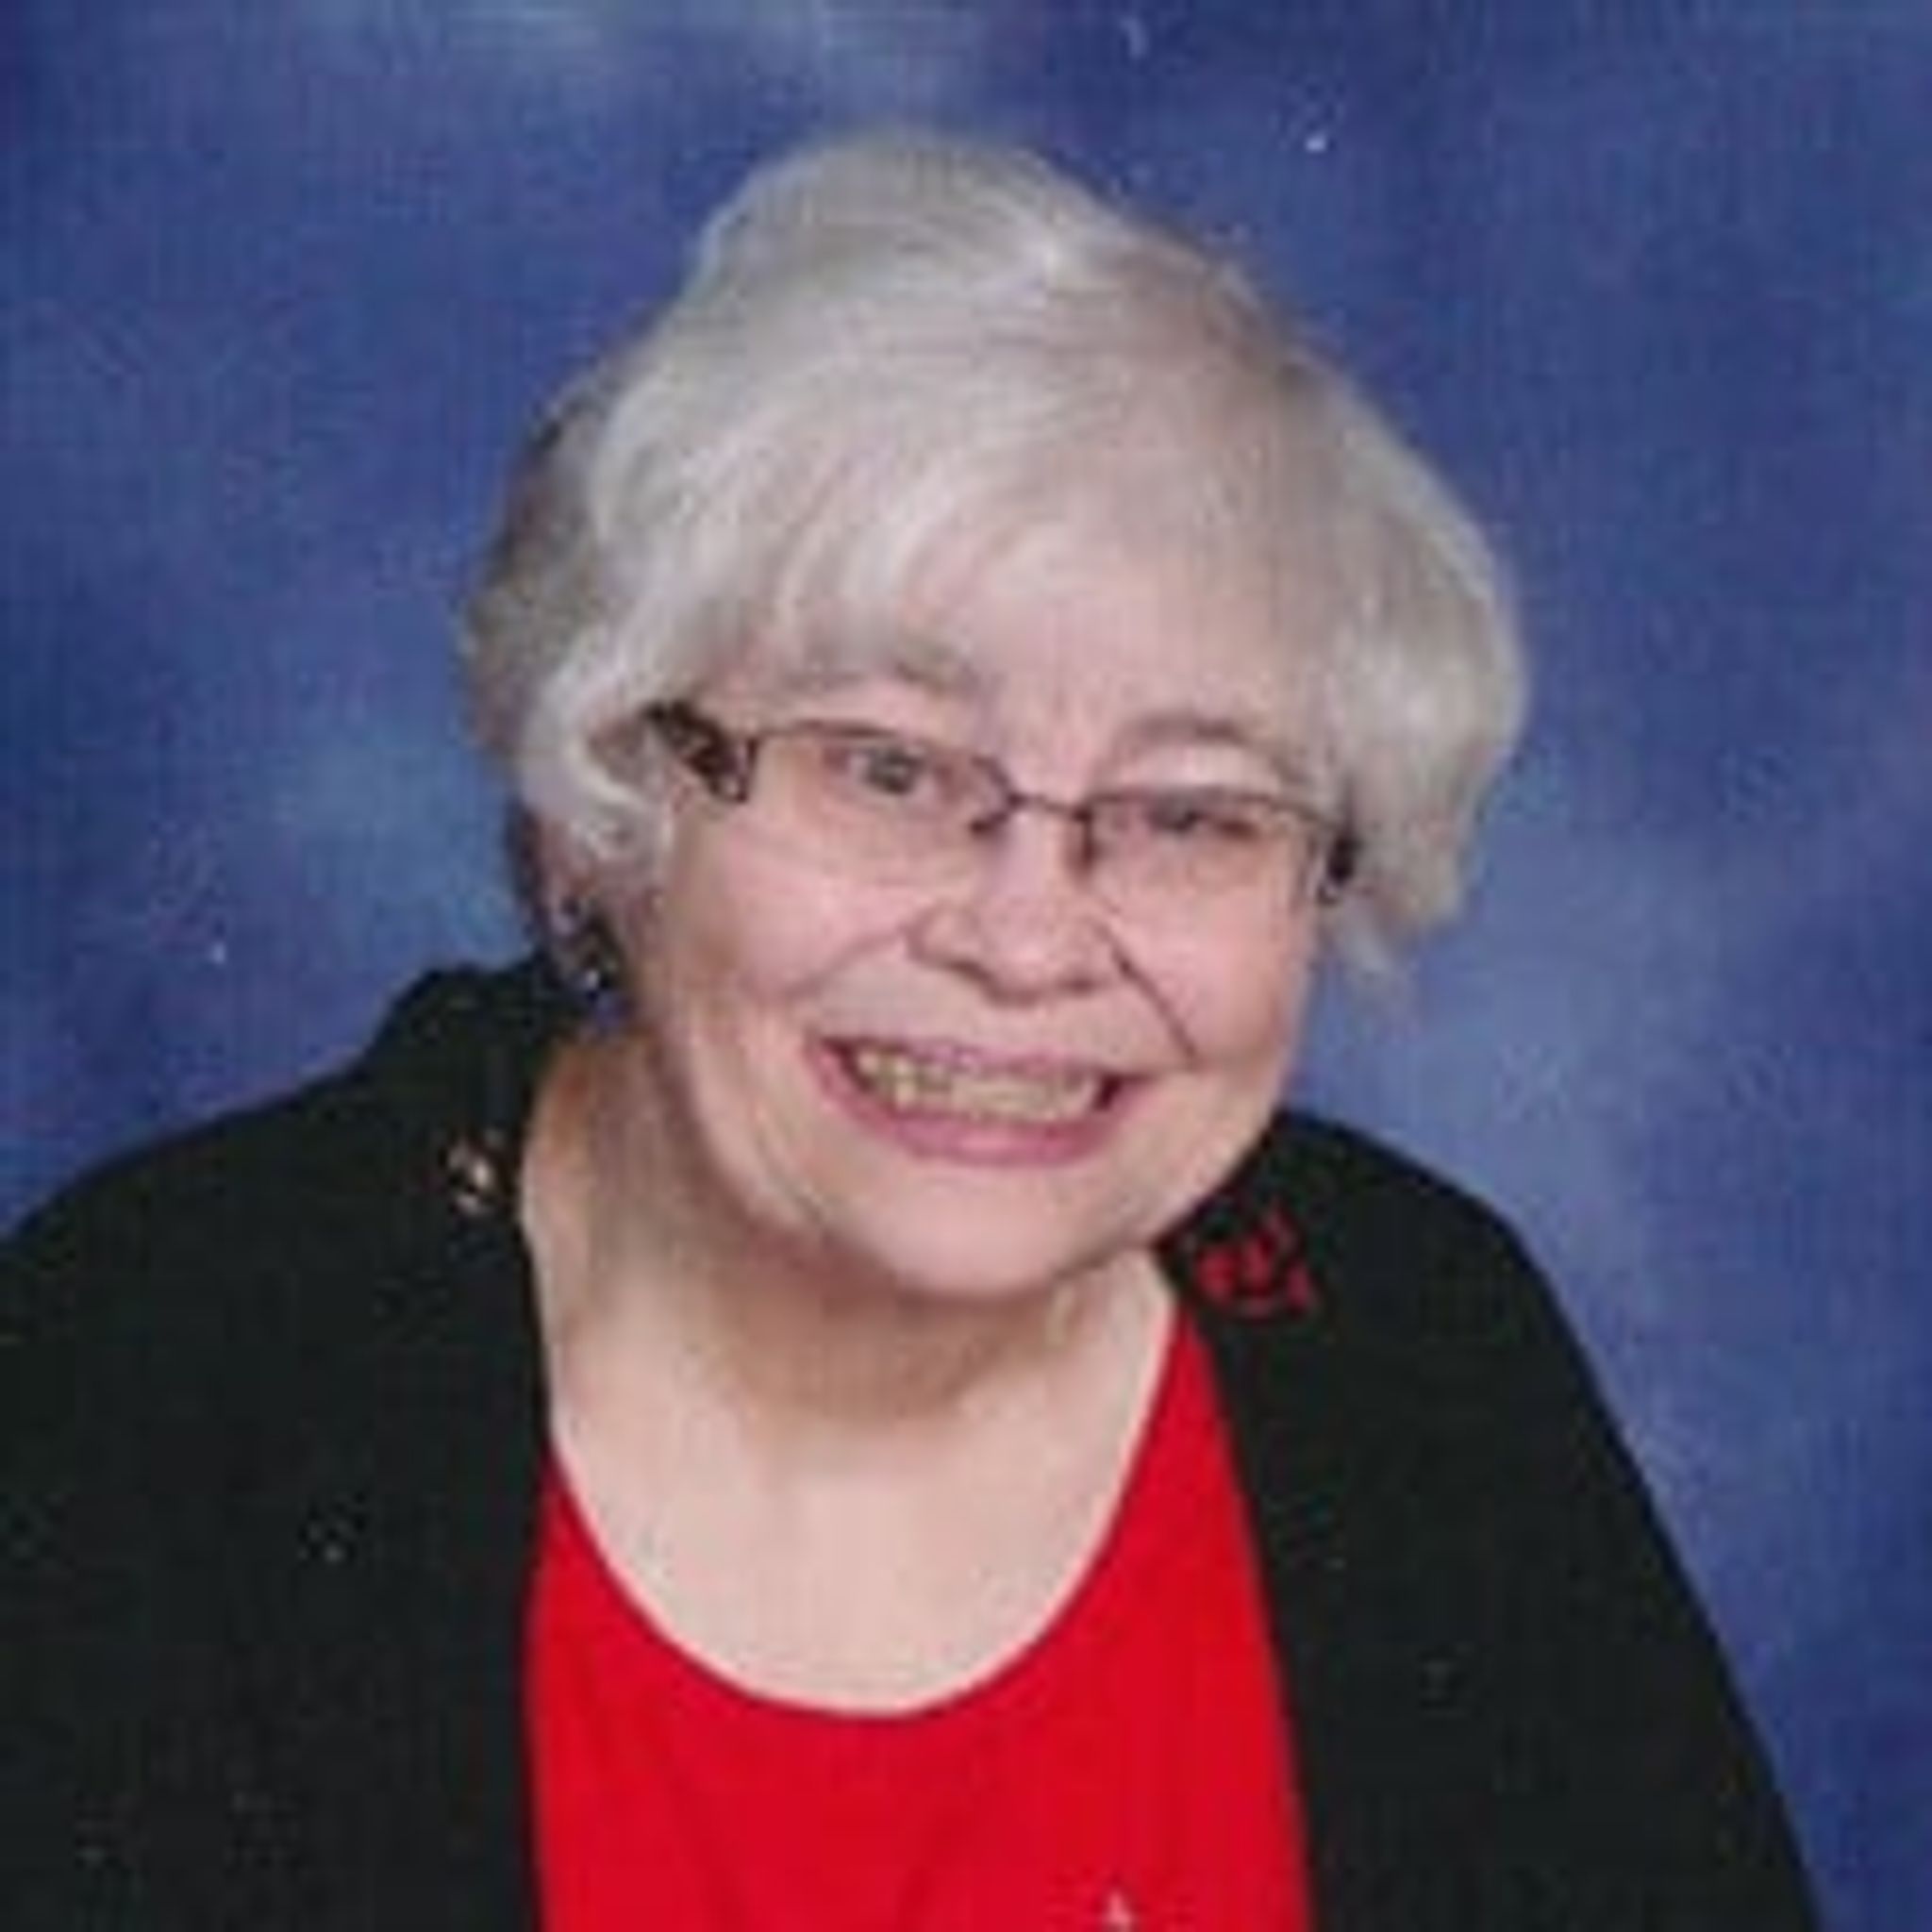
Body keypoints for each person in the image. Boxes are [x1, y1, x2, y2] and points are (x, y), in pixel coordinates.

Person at [2, 129, 1816, 1930]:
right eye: (886, 770)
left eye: (1192, 813)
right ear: (604, 797)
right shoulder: (163, 1374)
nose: (1027, 942)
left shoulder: (1416, 1348)